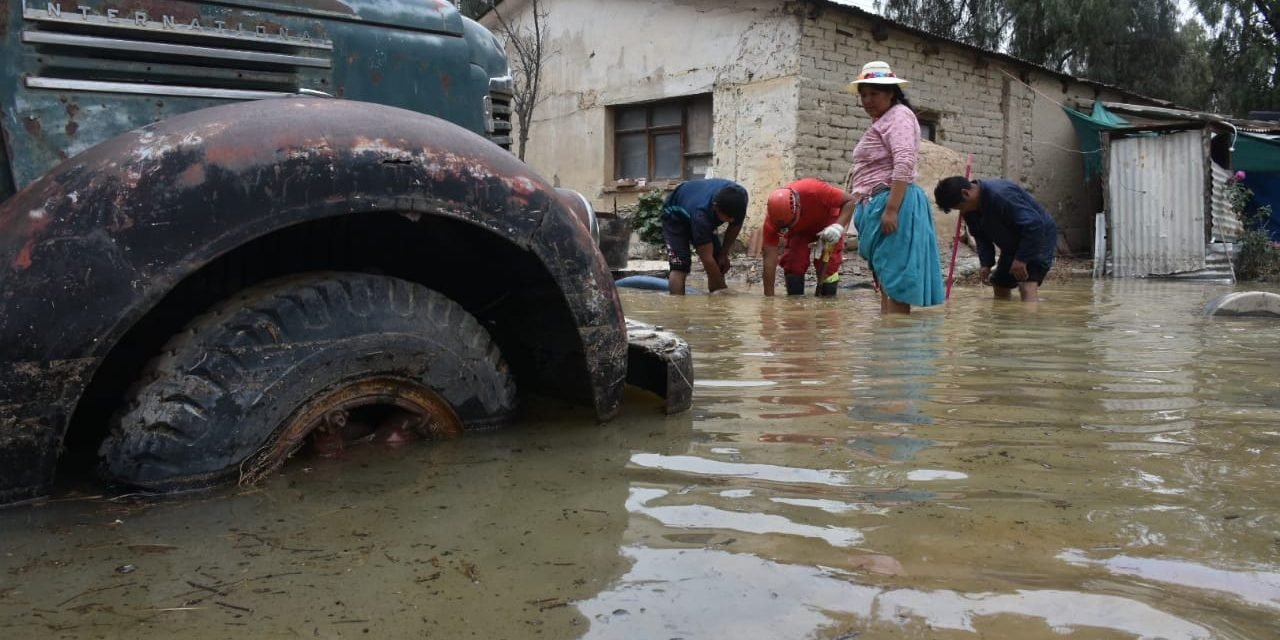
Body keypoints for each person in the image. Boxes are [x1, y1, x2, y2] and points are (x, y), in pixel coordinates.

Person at [846, 60, 944, 314]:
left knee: (896, 277)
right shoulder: (884, 120)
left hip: (893, 202)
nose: (867, 100)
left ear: (891, 93)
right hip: (879, 202)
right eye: (863, 95)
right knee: (887, 276)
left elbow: (904, 163)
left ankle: (897, 343)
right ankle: (888, 340)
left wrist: (891, 209)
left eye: (874, 93)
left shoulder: (898, 117)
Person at [933, 176, 1058, 302]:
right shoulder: (969, 209)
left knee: (1026, 283)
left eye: (960, 207)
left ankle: (1029, 318)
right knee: (1000, 282)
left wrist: (1021, 259)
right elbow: (980, 235)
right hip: (1012, 241)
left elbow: (1033, 225)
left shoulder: (1001, 194)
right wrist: (986, 263)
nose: (962, 212)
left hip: (1038, 236)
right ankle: (1003, 319)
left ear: (966, 193)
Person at [761, 178, 856, 297]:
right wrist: (769, 300)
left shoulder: (814, 190)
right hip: (800, 231)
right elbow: (769, 259)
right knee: (794, 263)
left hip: (827, 221)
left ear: (798, 207)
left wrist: (838, 227)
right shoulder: (773, 221)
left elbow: (850, 201)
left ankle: (827, 303)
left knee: (828, 266)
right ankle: (794, 303)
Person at [660, 178, 748, 295]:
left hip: (696, 204)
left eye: (733, 217)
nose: (730, 220)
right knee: (680, 265)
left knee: (718, 261)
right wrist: (724, 292)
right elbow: (707, 260)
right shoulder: (701, 215)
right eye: (727, 217)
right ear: (716, 208)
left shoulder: (740, 196)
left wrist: (723, 253)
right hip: (674, 214)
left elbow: (735, 225)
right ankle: (678, 309)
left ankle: (715, 307)